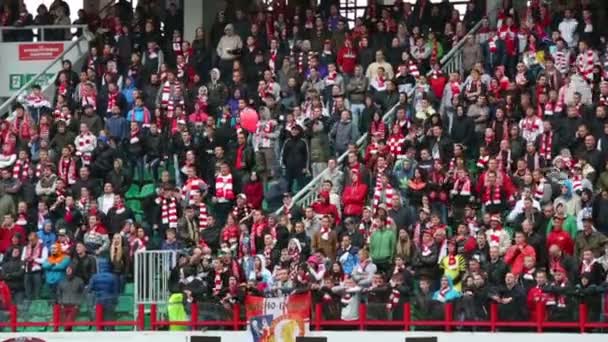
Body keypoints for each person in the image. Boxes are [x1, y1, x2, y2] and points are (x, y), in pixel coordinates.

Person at [56, 266, 85, 331]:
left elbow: (83, 294)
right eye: (67, 271)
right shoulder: (61, 281)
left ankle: (67, 334)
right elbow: (58, 293)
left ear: (73, 271)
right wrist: (61, 304)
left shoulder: (79, 281)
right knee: (65, 323)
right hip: (64, 305)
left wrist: (78, 304)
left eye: (69, 270)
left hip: (75, 306)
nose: (68, 272)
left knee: (68, 323)